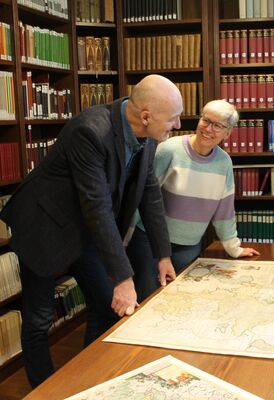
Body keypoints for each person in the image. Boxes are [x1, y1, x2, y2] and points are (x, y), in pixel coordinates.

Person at [0, 74, 182, 387]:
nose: (177, 126)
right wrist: (124, 279)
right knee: (39, 319)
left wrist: (163, 255)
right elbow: (97, 205)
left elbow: (149, 192)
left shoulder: (150, 135)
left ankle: (89, 384)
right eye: (174, 118)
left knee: (107, 307)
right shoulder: (90, 131)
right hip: (44, 226)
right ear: (147, 116)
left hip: (86, 228)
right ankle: (43, 390)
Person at [126, 99, 260, 303]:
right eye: (206, 121)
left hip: (189, 247)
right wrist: (125, 238)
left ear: (228, 133)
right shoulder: (169, 150)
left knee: (183, 302)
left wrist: (234, 248)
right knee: (148, 302)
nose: (209, 129)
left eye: (218, 126)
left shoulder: (224, 162)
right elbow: (142, 197)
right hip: (150, 244)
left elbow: (224, 211)